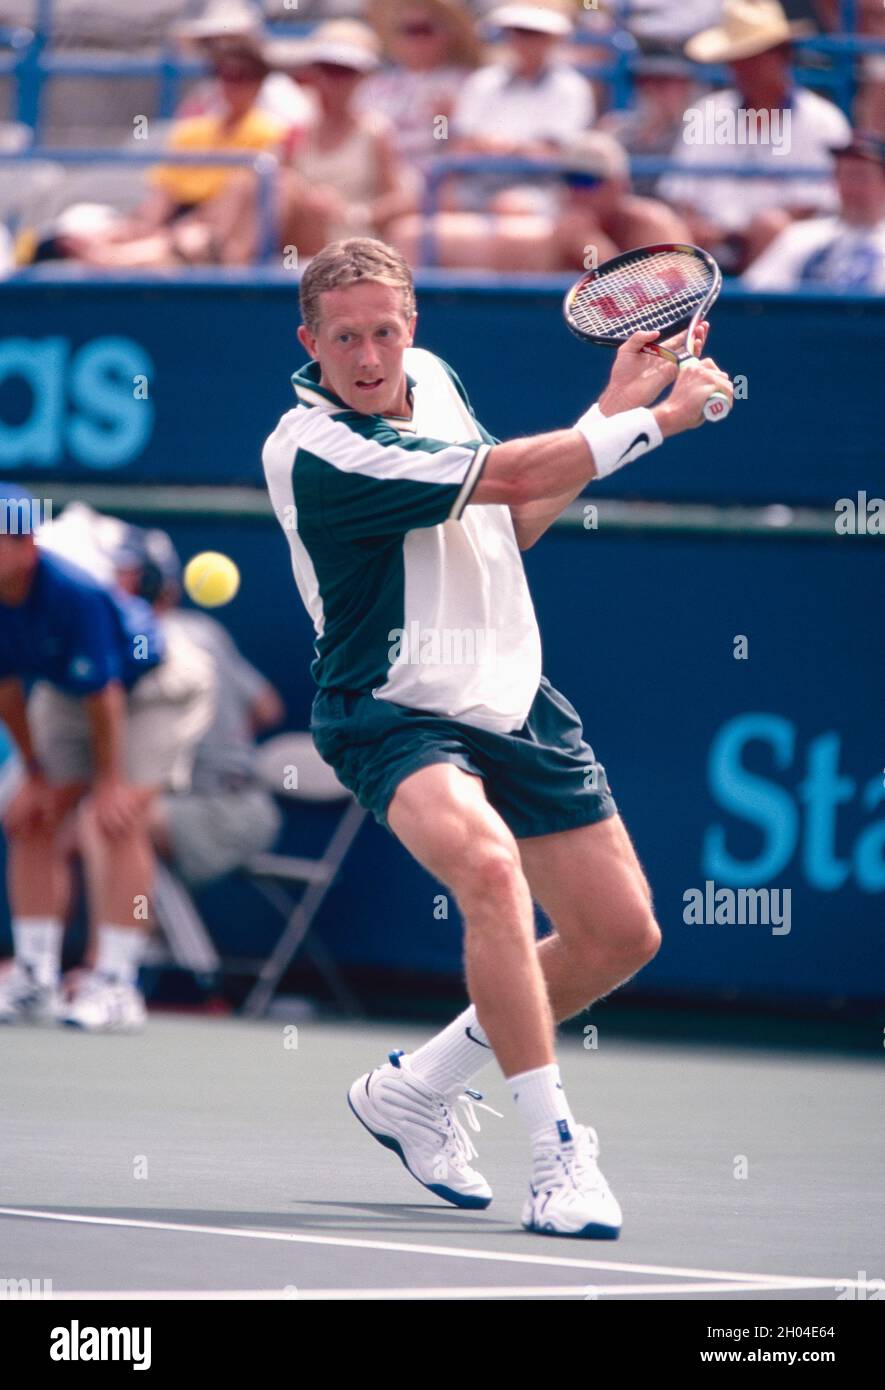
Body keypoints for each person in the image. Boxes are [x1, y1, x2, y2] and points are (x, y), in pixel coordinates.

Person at [261, 237, 733, 1238]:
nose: (369, 354)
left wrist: (613, 412)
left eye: (386, 329)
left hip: (510, 691)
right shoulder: (312, 447)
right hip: (389, 708)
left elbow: (509, 520)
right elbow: (515, 479)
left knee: (619, 935)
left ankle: (415, 1087)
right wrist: (652, 421)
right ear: (311, 342)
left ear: (413, 325)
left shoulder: (431, 379)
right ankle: (558, 1154)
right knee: (487, 871)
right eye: (344, 337)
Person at [0, 488, 214, 1031]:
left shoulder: (77, 591)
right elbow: (5, 689)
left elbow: (107, 696)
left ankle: (117, 985)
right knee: (28, 815)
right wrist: (36, 774)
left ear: (26, 544)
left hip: (154, 690)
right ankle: (34, 979)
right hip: (69, 693)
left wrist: (111, 782)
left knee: (113, 820)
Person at [111, 526, 285, 889]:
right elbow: (267, 709)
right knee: (102, 815)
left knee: (104, 820)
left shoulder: (152, 639)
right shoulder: (203, 629)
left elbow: (269, 708)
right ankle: (138, 937)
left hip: (219, 811)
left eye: (125, 576)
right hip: (240, 805)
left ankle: (119, 944)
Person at [659, 0, 851, 271]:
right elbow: (684, 197)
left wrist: (744, 232)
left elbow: (816, 207)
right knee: (662, 224)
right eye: (736, 60)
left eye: (753, 58)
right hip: (710, 243)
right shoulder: (706, 112)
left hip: (790, 249)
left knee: (771, 227)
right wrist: (703, 228)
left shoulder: (822, 120)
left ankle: (751, 306)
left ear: (783, 56)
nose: (742, 68)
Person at [392, 129, 691, 270]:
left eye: (589, 180)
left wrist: (591, 245)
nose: (578, 191)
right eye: (570, 179)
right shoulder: (561, 230)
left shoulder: (653, 223)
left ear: (619, 184)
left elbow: (663, 300)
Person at [449, 2, 595, 214]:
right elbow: (460, 146)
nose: (524, 40)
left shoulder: (572, 88)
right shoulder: (482, 82)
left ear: (553, 39)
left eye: (534, 33)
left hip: (543, 187)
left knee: (510, 207)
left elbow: (556, 156)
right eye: (518, 32)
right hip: (476, 182)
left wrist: (510, 148)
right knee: (425, 206)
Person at [743, 133, 885, 289]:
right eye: (844, 176)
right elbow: (756, 292)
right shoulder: (800, 235)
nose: (851, 187)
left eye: (861, 177)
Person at [357, 0, 482, 176]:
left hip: (432, 175)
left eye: (424, 29)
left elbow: (446, 143)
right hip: (376, 174)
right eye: (408, 30)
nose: (416, 39)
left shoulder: (469, 83)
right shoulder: (376, 85)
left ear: (448, 34)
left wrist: (446, 121)